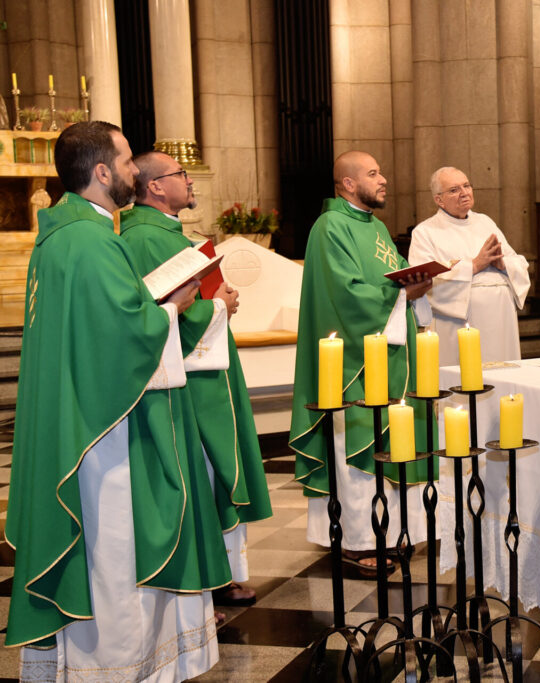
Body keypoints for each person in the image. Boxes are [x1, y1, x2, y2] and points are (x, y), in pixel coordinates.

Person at [7, 122, 231, 680]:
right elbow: (123, 336)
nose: (136, 170)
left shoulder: (62, 237)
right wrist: (175, 305)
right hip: (101, 433)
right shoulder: (90, 242)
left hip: (79, 415)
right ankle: (113, 668)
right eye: (129, 160)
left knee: (108, 555)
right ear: (102, 171)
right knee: (113, 556)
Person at [120, 151, 274, 606]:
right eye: (180, 174)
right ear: (153, 186)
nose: (190, 181)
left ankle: (220, 572)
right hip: (189, 375)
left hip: (207, 365)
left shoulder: (167, 233)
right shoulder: (147, 238)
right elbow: (163, 309)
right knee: (207, 468)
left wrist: (218, 302)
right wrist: (218, 305)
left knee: (214, 468)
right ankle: (212, 575)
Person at [289, 151, 434, 574]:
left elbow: (393, 277)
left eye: (381, 170)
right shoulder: (329, 227)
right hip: (353, 358)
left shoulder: (378, 229)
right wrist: (402, 294)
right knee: (356, 444)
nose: (383, 179)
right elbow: (345, 293)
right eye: (373, 173)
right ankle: (357, 540)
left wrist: (416, 280)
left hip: (387, 354)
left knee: (387, 443)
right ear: (348, 184)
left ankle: (390, 531)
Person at [409, 166, 531, 366]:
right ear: (439, 199)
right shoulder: (425, 232)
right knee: (465, 384)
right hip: (458, 324)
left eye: (467, 186)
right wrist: (473, 266)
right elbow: (424, 281)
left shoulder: (485, 222)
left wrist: (503, 265)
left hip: (501, 319)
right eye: (454, 190)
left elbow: (517, 262)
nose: (464, 193)